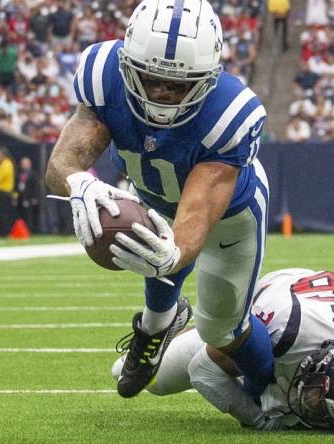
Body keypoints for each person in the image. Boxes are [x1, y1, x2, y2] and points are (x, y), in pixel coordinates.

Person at [46, 0, 272, 400]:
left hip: (229, 218)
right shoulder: (103, 74)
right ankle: (157, 326)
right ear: (127, 64)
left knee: (222, 328)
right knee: (154, 254)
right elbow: (63, 161)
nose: (162, 92)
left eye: (178, 84)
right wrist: (80, 182)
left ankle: (270, 391)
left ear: (208, 78)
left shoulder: (230, 112)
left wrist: (173, 254)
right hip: (154, 197)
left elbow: (195, 216)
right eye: (150, 79)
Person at [111, 268, 334, 430]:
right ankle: (179, 322)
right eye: (318, 392)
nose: (310, 403)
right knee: (149, 380)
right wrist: (258, 420)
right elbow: (203, 369)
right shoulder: (284, 325)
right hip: (286, 295)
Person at [0, 148, 15, 236]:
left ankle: (4, 232)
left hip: (4, 192)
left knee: (4, 213)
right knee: (4, 213)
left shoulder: (6, 164)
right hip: (5, 192)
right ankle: (4, 231)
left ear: (3, 155)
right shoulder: (6, 164)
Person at [16, 157, 39, 232]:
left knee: (29, 215)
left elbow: (36, 187)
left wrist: (34, 198)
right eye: (23, 164)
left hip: (29, 198)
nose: (25, 165)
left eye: (26, 164)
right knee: (21, 214)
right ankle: (23, 230)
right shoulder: (19, 174)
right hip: (21, 197)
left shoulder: (34, 174)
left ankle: (30, 230)